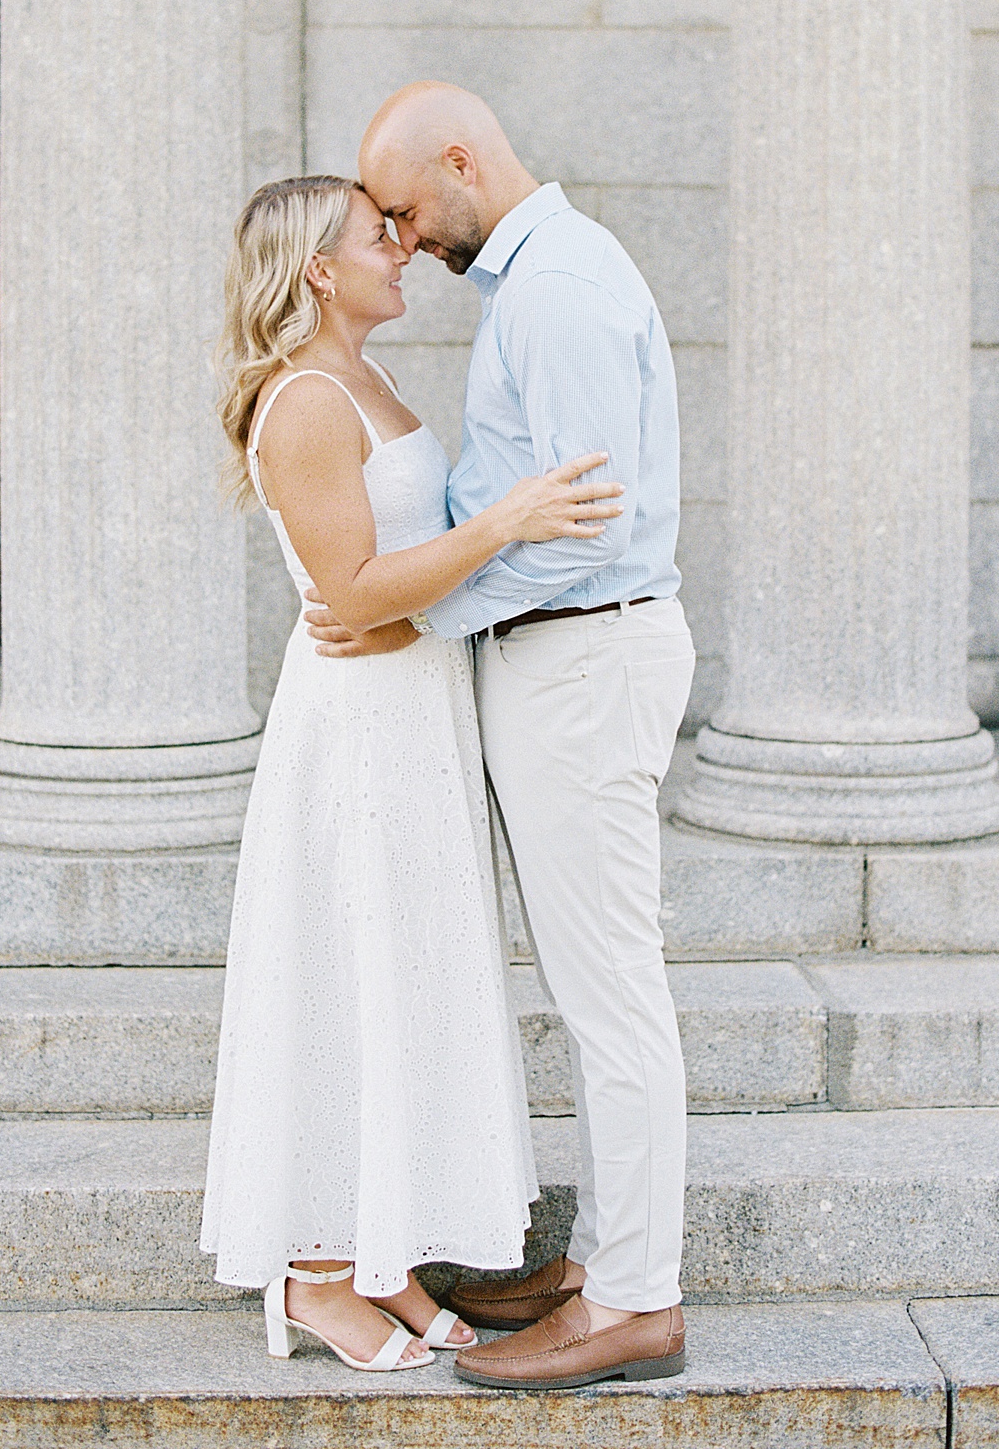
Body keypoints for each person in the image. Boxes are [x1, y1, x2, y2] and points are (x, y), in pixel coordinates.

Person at [304, 85, 695, 1391]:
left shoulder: (555, 287)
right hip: (553, 664)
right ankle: (606, 1269)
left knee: (610, 993)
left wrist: (415, 617)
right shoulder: (532, 285)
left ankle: (638, 1299)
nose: (404, 239)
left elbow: (571, 523)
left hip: (580, 658)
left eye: (410, 209)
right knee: (594, 986)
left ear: (464, 161)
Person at [200, 174, 624, 1374]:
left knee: (402, 972)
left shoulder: (372, 381)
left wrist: (452, 593)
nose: (404, 244)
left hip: (415, 705)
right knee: (348, 972)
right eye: (374, 234)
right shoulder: (305, 401)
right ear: (320, 271)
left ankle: (379, 1254)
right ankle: (316, 1276)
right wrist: (513, 521)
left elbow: (402, 586)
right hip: (355, 725)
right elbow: (350, 594)